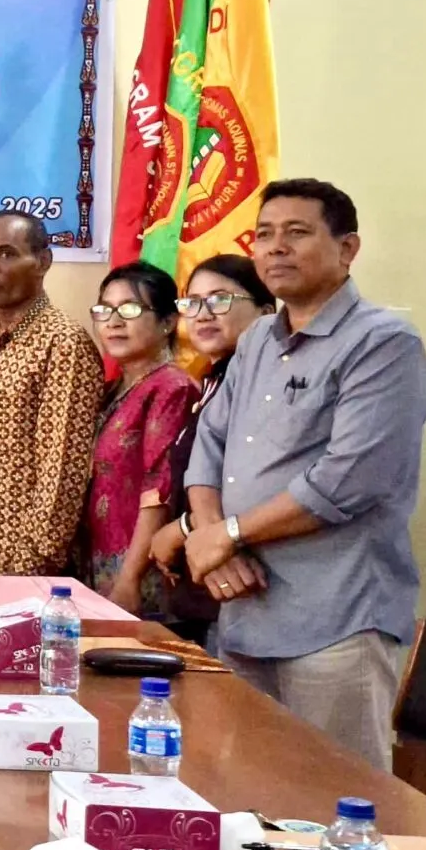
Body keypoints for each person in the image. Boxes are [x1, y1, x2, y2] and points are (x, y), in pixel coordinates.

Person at [176, 179, 426, 770]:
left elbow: (347, 481)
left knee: (337, 804)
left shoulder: (384, 343)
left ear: (348, 249)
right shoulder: (261, 337)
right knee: (252, 797)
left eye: (296, 233)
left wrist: (229, 534)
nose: (274, 249)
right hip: (244, 610)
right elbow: (208, 445)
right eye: (264, 235)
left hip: (335, 618)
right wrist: (212, 537)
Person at [0, 211, 105, 576]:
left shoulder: (63, 344)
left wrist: (30, 571)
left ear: (43, 261)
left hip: (18, 576)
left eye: (6, 254)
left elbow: (62, 473)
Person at [147, 253, 277, 642]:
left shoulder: (266, 384)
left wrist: (185, 529)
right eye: (192, 302)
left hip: (252, 582)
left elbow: (258, 478)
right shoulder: (210, 381)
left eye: (220, 300)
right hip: (207, 585)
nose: (202, 314)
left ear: (267, 311)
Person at [77, 261, 200, 617]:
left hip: (141, 574)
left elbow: (158, 492)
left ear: (168, 322)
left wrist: (130, 579)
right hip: (94, 566)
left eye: (130, 309)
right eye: (105, 310)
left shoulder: (172, 389)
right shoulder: (111, 389)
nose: (113, 321)